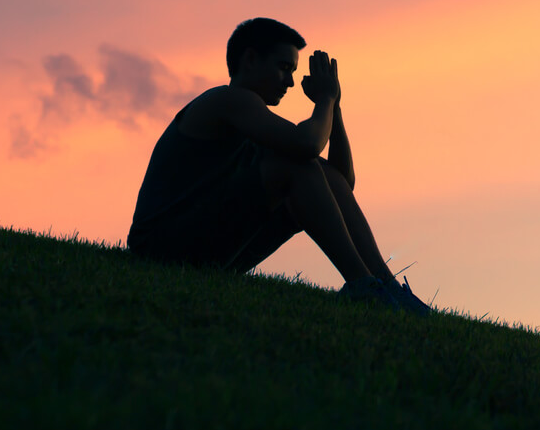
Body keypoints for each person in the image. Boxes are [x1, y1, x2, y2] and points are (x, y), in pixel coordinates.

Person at [127, 17, 427, 314]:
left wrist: (334, 107)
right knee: (299, 166)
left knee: (310, 171)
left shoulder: (256, 124)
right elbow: (306, 145)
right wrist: (325, 99)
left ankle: (385, 286)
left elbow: (339, 182)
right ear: (251, 59)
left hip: (200, 249)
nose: (290, 82)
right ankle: (364, 286)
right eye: (284, 68)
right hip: (159, 249)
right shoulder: (229, 101)